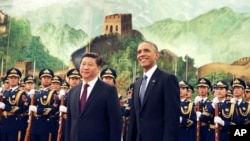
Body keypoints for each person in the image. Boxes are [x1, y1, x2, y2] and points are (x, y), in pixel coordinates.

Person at [127, 41, 180, 141]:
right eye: (139, 52)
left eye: (146, 50)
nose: (142, 54)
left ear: (157, 55)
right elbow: (134, 118)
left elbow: (172, 118)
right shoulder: (137, 83)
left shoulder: (167, 79)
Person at [65, 52, 122, 141]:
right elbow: (69, 123)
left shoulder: (108, 90)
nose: (85, 67)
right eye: (83, 64)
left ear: (98, 68)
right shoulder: (72, 92)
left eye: (90, 64)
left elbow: (115, 123)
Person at [28, 68, 59, 141]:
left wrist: (37, 110)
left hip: (46, 124)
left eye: (48, 78)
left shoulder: (53, 93)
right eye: (44, 78)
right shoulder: (37, 93)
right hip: (35, 124)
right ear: (40, 79)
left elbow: (53, 109)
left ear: (51, 80)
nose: (46, 79)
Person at [0, 68, 28, 141]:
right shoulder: (5, 93)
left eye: (15, 78)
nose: (13, 80)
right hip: (3, 122)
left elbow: (22, 109)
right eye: (11, 78)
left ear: (18, 80)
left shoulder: (21, 93)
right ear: (8, 79)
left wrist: (5, 107)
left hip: (14, 122)